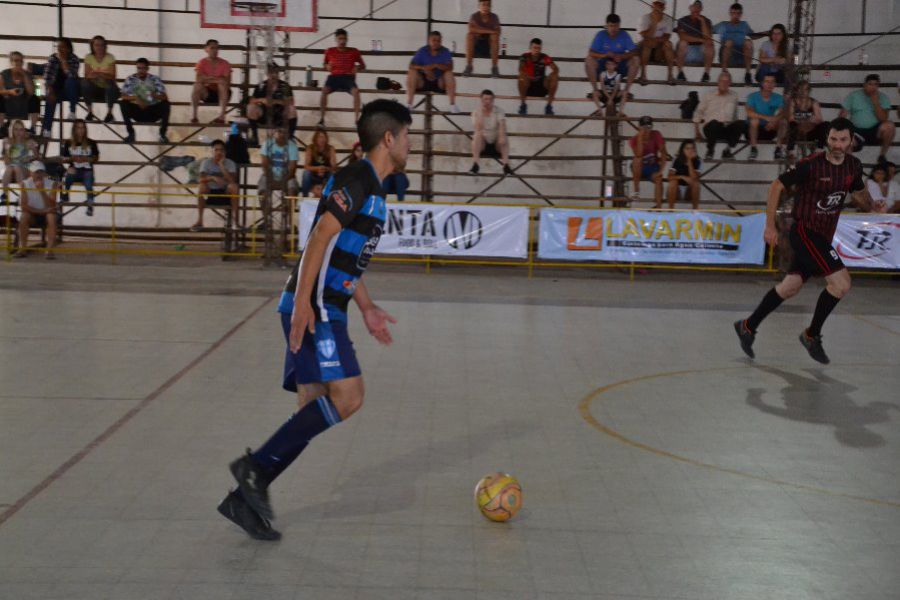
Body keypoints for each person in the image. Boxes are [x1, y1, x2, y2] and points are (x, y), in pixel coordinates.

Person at [217, 99, 412, 540]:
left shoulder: (374, 188)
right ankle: (253, 468)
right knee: (349, 396)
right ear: (389, 138)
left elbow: (343, 254)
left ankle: (246, 495)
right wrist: (305, 302)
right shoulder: (357, 179)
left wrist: (366, 306)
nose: (409, 145)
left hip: (326, 303)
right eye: (407, 136)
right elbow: (321, 235)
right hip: (318, 307)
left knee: (310, 411)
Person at [734, 118, 875, 364]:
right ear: (826, 139)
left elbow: (861, 197)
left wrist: (872, 204)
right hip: (804, 233)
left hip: (823, 237)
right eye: (833, 139)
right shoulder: (811, 165)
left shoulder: (854, 166)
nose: (837, 145)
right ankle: (811, 335)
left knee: (790, 287)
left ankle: (747, 326)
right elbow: (776, 186)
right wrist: (769, 226)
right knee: (841, 284)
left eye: (842, 140)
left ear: (851, 141)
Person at [586, 14, 639, 111]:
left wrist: (623, 56)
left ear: (619, 26)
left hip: (620, 66)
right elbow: (591, 52)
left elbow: (634, 51)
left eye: (616, 26)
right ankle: (595, 90)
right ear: (606, 26)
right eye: (611, 26)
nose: (613, 29)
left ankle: (626, 91)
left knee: (635, 60)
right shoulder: (601, 35)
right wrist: (605, 55)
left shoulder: (624, 35)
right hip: (603, 66)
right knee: (589, 59)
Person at [840, 74, 895, 163]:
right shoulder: (854, 96)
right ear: (864, 85)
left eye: (876, 84)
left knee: (890, 126)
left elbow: (883, 119)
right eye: (870, 84)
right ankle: (848, 166)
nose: (873, 87)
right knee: (846, 137)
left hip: (875, 132)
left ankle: (882, 155)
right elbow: (842, 116)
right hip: (856, 131)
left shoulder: (883, 97)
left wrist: (875, 102)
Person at [319, 29, 365, 127]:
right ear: (336, 39)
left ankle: (356, 120)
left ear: (347, 39)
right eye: (340, 39)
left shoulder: (354, 51)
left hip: (348, 77)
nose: (342, 41)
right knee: (324, 91)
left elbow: (363, 65)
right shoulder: (329, 51)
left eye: (344, 39)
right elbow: (324, 64)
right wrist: (327, 66)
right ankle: (322, 119)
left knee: (356, 92)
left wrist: (357, 67)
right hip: (334, 77)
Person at [119, 58, 171, 144]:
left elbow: (164, 96)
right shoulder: (130, 79)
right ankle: (131, 134)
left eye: (143, 68)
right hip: (137, 110)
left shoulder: (155, 79)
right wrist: (136, 98)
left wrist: (154, 95)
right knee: (123, 103)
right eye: (139, 68)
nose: (141, 70)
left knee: (166, 104)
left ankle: (162, 134)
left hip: (152, 110)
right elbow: (123, 95)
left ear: (147, 69)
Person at [191, 139, 239, 231]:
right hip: (211, 193)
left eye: (221, 150)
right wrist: (213, 178)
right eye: (216, 150)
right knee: (201, 186)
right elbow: (200, 179)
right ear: (212, 151)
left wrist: (221, 165)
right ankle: (200, 221)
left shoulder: (230, 163)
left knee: (234, 187)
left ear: (225, 152)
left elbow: (232, 180)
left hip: (226, 193)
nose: (219, 152)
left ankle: (235, 222)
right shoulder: (206, 163)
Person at [14, 161, 58, 260]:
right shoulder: (25, 184)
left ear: (44, 173)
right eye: (36, 172)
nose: (38, 174)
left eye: (40, 172)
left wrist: (42, 191)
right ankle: (22, 249)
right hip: (34, 213)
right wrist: (42, 211)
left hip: (47, 213)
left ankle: (49, 250)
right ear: (30, 173)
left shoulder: (52, 183)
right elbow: (23, 206)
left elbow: (52, 205)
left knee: (51, 217)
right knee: (24, 216)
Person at [406, 31, 459, 113]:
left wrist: (436, 65)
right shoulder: (422, 51)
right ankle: (409, 105)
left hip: (439, 82)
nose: (436, 43)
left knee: (449, 73)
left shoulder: (445, 51)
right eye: (434, 40)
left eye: (438, 41)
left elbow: (450, 67)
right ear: (429, 40)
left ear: (441, 42)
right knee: (412, 72)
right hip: (423, 82)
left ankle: (452, 105)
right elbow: (411, 65)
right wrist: (424, 68)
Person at [693, 71, 741, 160]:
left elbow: (735, 115)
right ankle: (710, 150)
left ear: (730, 83)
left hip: (726, 128)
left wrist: (735, 125)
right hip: (711, 128)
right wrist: (697, 132)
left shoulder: (734, 95)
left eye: (727, 81)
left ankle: (727, 150)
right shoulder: (708, 95)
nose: (724, 83)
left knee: (740, 124)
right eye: (722, 80)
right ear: (718, 82)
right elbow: (698, 111)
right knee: (715, 124)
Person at [247, 62, 296, 146]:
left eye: (275, 72)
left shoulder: (284, 86)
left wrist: (275, 101)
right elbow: (251, 100)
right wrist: (262, 100)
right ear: (267, 74)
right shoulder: (261, 86)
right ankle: (254, 137)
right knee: (251, 107)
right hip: (264, 115)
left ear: (278, 73)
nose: (273, 75)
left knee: (291, 109)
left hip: (280, 115)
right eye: (271, 72)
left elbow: (291, 102)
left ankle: (290, 138)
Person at [41, 38, 80, 137]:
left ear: (68, 48)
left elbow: (72, 75)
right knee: (50, 99)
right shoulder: (53, 58)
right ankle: (47, 129)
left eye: (62, 47)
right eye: (58, 47)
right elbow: (47, 77)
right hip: (55, 89)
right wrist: (50, 91)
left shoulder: (74, 59)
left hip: (69, 91)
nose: (60, 49)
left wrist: (63, 61)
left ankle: (72, 111)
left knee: (70, 81)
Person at [60, 119, 99, 216]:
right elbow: (64, 158)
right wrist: (72, 158)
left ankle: (90, 205)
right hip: (74, 169)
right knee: (69, 174)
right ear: (74, 129)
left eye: (83, 128)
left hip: (87, 170)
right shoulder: (68, 143)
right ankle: (65, 194)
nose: (81, 130)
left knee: (89, 183)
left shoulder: (91, 142)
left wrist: (86, 159)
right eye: (78, 128)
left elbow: (96, 157)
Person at [469, 89, 511, 175]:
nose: (488, 101)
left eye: (490, 99)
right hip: (482, 144)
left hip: (496, 144)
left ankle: (506, 165)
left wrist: (502, 137)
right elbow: (478, 128)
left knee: (503, 135)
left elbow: (502, 124)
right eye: (485, 99)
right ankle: (475, 164)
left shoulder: (499, 110)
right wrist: (481, 113)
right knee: (477, 134)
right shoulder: (476, 112)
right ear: (481, 100)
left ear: (493, 100)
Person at [745, 73, 787, 160]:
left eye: (772, 82)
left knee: (783, 122)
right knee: (754, 120)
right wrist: (767, 118)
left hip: (769, 129)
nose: (769, 84)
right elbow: (749, 112)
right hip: (752, 130)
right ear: (762, 83)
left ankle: (778, 150)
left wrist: (774, 121)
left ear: (775, 84)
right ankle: (753, 149)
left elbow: (783, 112)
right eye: (767, 81)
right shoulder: (752, 96)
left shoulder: (778, 98)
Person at [629, 116, 668, 207]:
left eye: (649, 127)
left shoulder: (656, 134)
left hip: (652, 167)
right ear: (639, 128)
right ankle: (636, 191)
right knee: (637, 160)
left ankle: (658, 207)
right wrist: (640, 138)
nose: (647, 129)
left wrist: (660, 171)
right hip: (639, 169)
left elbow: (663, 153)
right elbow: (638, 154)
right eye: (644, 127)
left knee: (659, 179)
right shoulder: (634, 140)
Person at [191, 39, 232, 124]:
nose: (215, 50)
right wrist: (218, 79)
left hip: (222, 93)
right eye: (212, 48)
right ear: (206, 49)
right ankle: (194, 116)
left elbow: (227, 82)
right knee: (196, 85)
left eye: (217, 48)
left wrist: (208, 78)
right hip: (208, 94)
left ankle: (222, 117)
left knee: (222, 85)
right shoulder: (202, 62)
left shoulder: (225, 63)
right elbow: (198, 79)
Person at [81, 35, 120, 123]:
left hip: (108, 88)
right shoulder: (89, 57)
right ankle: (90, 112)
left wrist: (97, 74)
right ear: (92, 46)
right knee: (84, 83)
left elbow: (112, 76)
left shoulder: (110, 57)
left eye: (101, 45)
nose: (99, 47)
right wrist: (103, 74)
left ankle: (109, 114)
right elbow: (87, 75)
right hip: (94, 88)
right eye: (97, 45)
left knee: (110, 85)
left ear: (105, 46)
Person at [0, 52, 40, 135]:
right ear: (11, 62)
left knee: (35, 99)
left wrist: (24, 75)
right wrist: (9, 91)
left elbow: (32, 91)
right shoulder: (4, 73)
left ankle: (32, 128)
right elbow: (1, 90)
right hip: (8, 102)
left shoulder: (27, 74)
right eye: (16, 60)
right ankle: (1, 127)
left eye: (21, 61)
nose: (18, 63)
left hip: (24, 103)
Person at [637, 0, 677, 85]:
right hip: (645, 48)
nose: (657, 7)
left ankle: (670, 75)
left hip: (659, 49)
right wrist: (655, 22)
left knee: (669, 44)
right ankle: (643, 75)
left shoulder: (668, 19)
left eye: (660, 5)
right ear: (652, 6)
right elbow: (644, 36)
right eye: (656, 4)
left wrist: (654, 40)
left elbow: (667, 37)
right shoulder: (644, 18)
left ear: (664, 8)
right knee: (647, 44)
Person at [713, 3, 754, 84]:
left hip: (740, 55)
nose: (735, 15)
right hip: (726, 53)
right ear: (730, 13)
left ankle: (748, 73)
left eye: (738, 13)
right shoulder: (723, 25)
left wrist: (766, 33)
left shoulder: (744, 25)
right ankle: (724, 72)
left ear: (741, 14)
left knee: (748, 42)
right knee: (729, 42)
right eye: (733, 13)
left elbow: (753, 36)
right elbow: (708, 30)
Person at [517, 38, 559, 116]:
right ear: (530, 48)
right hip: (528, 86)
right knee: (521, 76)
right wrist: (528, 76)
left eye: (539, 48)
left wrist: (551, 75)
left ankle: (549, 106)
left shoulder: (544, 57)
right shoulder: (524, 56)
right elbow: (520, 69)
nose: (537, 50)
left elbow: (556, 69)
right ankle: (523, 105)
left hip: (541, 87)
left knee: (555, 76)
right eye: (535, 48)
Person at [786, 81, 828, 158]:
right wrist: (809, 118)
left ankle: (820, 147)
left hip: (810, 132)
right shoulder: (793, 101)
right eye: (801, 89)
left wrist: (801, 118)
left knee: (825, 125)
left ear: (809, 91)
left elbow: (819, 119)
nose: (803, 92)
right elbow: (791, 118)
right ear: (797, 90)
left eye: (805, 89)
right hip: (798, 132)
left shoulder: (813, 102)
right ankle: (791, 149)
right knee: (792, 125)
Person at [675, 1, 713, 82]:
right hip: (686, 53)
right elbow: (682, 37)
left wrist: (702, 21)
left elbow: (708, 38)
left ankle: (706, 74)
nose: (696, 8)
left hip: (701, 53)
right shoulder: (682, 20)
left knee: (710, 45)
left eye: (698, 6)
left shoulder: (706, 21)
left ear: (701, 8)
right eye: (693, 6)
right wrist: (700, 40)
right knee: (682, 43)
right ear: (689, 8)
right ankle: (680, 73)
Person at [259, 127, 300, 200]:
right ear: (274, 133)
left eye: (284, 132)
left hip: (288, 178)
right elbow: (264, 165)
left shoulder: (292, 146)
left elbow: (292, 170)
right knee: (262, 187)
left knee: (292, 188)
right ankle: (265, 211)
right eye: (279, 132)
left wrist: (284, 180)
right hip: (269, 176)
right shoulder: (267, 144)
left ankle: (289, 211)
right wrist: (271, 178)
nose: (282, 135)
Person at [1, 119, 38, 201]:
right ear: (12, 130)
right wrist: (6, 155)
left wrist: (29, 158)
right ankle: (5, 194)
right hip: (10, 167)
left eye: (21, 129)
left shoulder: (28, 142)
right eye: (16, 129)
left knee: (16, 167)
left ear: (24, 131)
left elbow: (37, 156)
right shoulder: (7, 141)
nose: (18, 132)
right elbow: (4, 157)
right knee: (10, 168)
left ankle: (23, 195)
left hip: (24, 168)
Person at [463, 0, 502, 77]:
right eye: (483, 5)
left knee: (494, 36)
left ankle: (494, 68)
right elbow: (471, 29)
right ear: (479, 6)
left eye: (487, 5)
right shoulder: (474, 16)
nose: (485, 7)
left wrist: (479, 30)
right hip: (476, 46)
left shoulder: (494, 17)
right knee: (469, 35)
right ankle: (469, 66)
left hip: (490, 47)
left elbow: (498, 32)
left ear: (490, 7)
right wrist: (490, 31)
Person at [301, 129, 337, 197]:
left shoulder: (330, 148)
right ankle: (304, 196)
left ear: (326, 139)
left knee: (333, 174)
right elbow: (306, 166)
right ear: (315, 138)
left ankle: (330, 197)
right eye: (320, 137)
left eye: (323, 137)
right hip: (313, 173)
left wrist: (324, 169)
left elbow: (334, 167)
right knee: (306, 173)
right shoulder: (310, 148)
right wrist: (317, 168)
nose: (322, 139)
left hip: (326, 173)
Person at [667, 140, 701, 209]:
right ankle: (670, 211)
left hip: (689, 191)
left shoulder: (698, 160)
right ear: (682, 150)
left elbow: (694, 178)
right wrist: (682, 177)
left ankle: (695, 212)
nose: (690, 151)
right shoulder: (677, 159)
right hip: (677, 190)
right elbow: (669, 177)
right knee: (673, 182)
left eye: (692, 148)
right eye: (687, 148)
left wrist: (689, 160)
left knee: (696, 183)